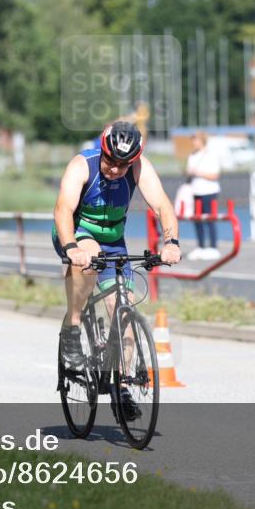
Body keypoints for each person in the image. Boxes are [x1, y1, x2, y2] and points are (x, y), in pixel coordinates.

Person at [53, 121, 182, 417]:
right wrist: (72, 247)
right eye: (110, 161)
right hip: (76, 231)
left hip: (114, 241)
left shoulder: (139, 167)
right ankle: (72, 329)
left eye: (123, 165)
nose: (115, 169)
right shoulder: (82, 165)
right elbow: (62, 210)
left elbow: (162, 205)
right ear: (103, 149)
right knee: (89, 257)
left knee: (121, 310)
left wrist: (171, 242)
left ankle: (121, 386)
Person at [185, 131, 222, 260]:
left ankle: (213, 247)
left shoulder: (211, 155)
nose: (194, 143)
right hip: (196, 191)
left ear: (202, 141)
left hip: (209, 191)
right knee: (197, 219)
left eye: (196, 140)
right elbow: (189, 173)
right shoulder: (192, 156)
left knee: (209, 218)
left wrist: (198, 173)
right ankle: (200, 246)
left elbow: (215, 175)